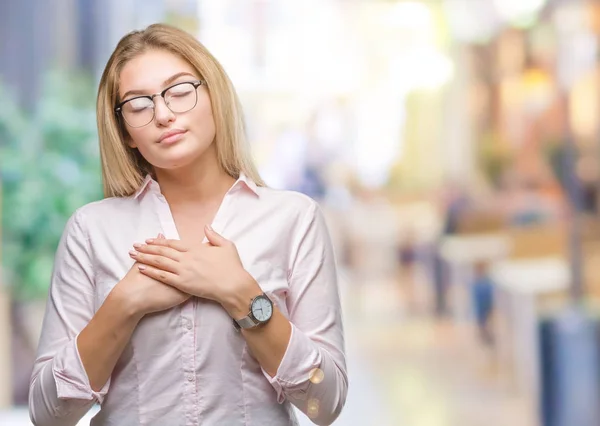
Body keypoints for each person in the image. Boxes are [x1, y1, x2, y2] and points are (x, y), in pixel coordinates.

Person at [28, 23, 347, 426]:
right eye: (139, 104)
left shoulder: (294, 219)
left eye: (179, 91)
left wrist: (244, 297)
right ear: (125, 131)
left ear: (214, 95)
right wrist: (123, 305)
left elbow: (326, 403)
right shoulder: (90, 230)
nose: (163, 114)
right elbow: (47, 416)